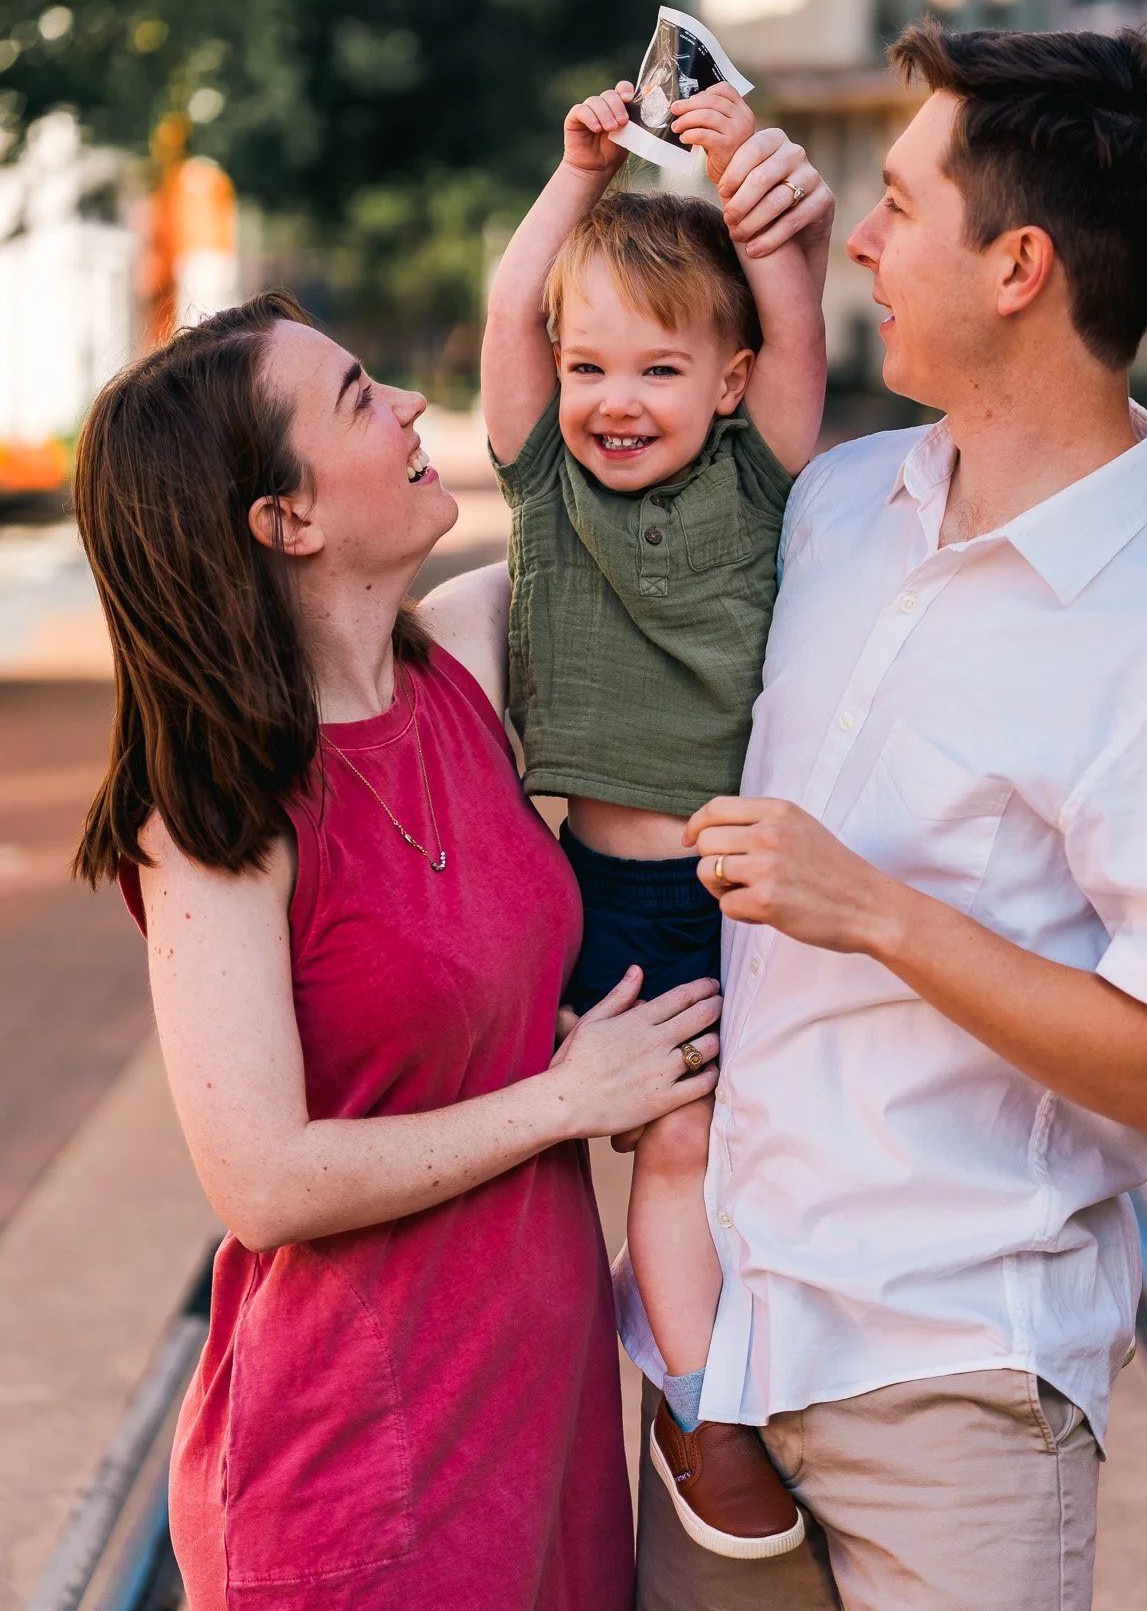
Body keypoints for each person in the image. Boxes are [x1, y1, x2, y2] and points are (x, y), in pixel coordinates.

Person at [626, 23, 1147, 1611]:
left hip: (955, 1387)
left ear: (1016, 265)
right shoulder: (843, 504)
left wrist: (874, 909)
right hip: (725, 1346)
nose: (861, 231)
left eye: (904, 201)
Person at [71, 292, 722, 1611]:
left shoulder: (469, 665)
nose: (416, 408)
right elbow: (261, 1179)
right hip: (356, 1476)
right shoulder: (216, 816)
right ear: (287, 519)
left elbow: (678, 494)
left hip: (540, 1438)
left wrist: (747, 235)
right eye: (363, 397)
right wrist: (567, 1099)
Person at [481, 78, 831, 1557]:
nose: (615, 401)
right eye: (590, 368)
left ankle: (760, 1377)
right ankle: (700, 1412)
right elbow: (512, 314)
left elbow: (798, 326)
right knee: (673, 1150)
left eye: (661, 371)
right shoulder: (546, 484)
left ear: (731, 383)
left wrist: (737, 167)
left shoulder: (768, 479)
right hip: (603, 902)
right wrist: (571, 178)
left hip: (742, 893)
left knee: (759, 1151)